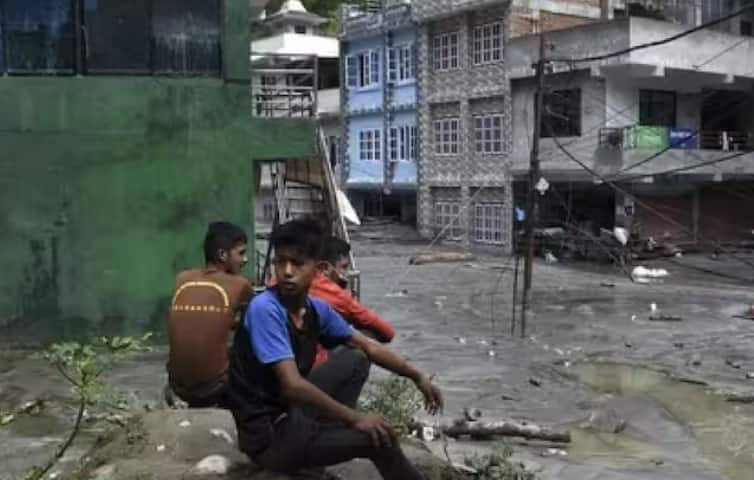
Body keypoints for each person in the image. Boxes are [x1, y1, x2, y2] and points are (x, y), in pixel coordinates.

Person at [229, 218, 442, 480]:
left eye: (297, 263)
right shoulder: (265, 309)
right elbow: (292, 386)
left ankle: (322, 436)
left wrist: (416, 375)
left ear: (317, 269)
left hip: (291, 414)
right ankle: (310, 448)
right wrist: (355, 418)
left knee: (356, 358)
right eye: (280, 261)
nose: (286, 271)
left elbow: (369, 346)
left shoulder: (316, 310)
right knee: (381, 440)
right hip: (268, 436)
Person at [167, 221, 253, 409]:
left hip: (176, 386)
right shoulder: (240, 284)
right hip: (214, 389)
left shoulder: (182, 278)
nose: (245, 259)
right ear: (222, 255)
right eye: (241, 253)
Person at [309, 236, 395, 367]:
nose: (347, 273)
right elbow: (388, 332)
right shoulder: (335, 294)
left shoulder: (292, 281)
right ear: (325, 268)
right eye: (343, 267)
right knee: (363, 344)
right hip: (310, 367)